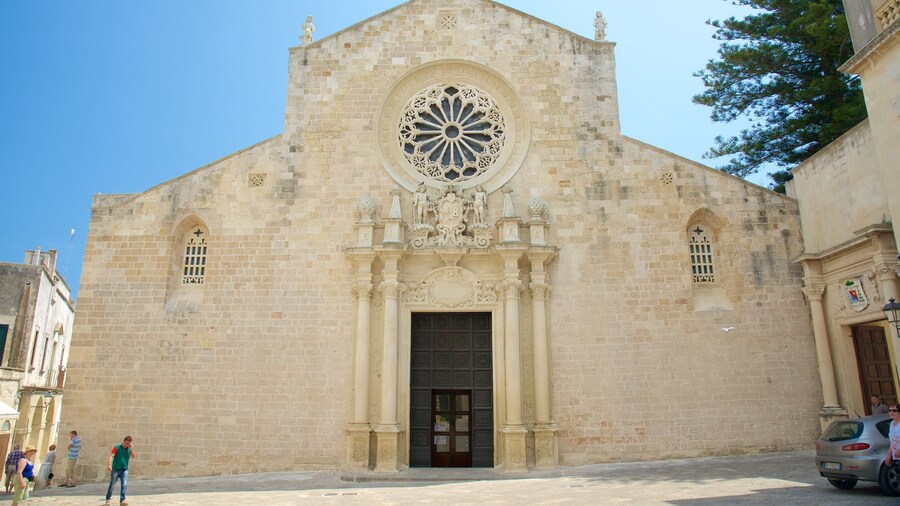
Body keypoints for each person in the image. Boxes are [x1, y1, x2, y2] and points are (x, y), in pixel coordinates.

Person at [105, 436, 136, 506]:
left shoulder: (129, 449)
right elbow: (111, 456)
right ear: (123, 441)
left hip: (124, 470)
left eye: (129, 444)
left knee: (124, 485)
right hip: (115, 469)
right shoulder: (116, 447)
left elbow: (134, 456)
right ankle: (108, 499)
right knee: (112, 484)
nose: (127, 445)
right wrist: (109, 465)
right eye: (126, 443)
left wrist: (131, 448)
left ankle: (122, 500)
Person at [885, 403, 900, 469]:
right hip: (896, 457)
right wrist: (889, 455)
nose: (891, 412)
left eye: (894, 410)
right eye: (889, 410)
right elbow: (892, 441)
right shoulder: (891, 424)